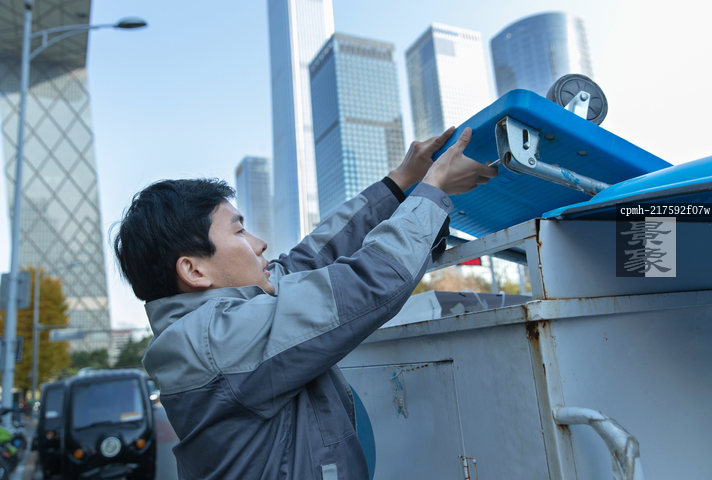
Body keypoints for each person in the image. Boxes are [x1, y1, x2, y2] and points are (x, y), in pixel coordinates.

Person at [114, 127, 496, 480]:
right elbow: (367, 283)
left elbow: (308, 260)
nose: (260, 243)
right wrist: (433, 188)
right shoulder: (218, 341)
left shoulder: (207, 329)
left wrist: (398, 182)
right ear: (194, 270)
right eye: (240, 230)